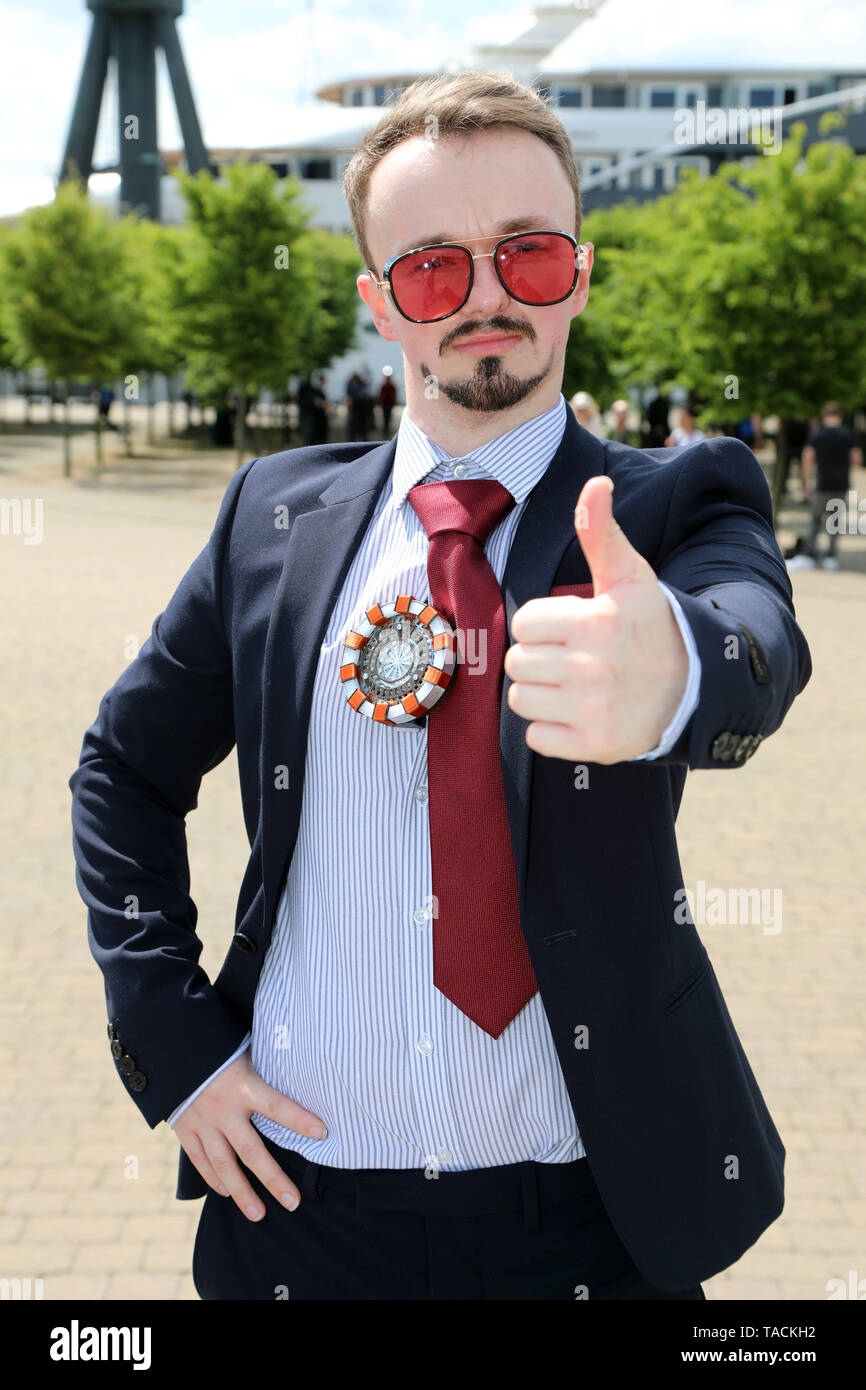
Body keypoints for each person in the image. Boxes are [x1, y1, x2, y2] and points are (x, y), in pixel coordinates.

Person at [69, 70, 811, 1302]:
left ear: (578, 269)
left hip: (589, 1222)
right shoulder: (272, 516)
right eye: (429, 268)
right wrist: (178, 1046)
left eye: (523, 255)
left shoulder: (673, 502)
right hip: (299, 1214)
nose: (480, 298)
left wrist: (672, 667)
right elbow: (122, 769)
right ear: (379, 303)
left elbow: (753, 640)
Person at [792, 402, 862, 571]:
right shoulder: (848, 435)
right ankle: (831, 556)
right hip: (841, 484)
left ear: (825, 415)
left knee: (816, 520)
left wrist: (806, 483)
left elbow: (807, 459)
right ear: (841, 416)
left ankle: (808, 554)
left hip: (822, 483)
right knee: (835, 522)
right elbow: (856, 459)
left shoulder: (818, 434)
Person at [378, 368, 397, 435]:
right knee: (385, 417)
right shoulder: (384, 386)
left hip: (389, 404)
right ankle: (385, 431)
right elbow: (381, 395)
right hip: (385, 404)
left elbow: (394, 395)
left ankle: (386, 431)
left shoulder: (391, 386)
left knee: (388, 418)